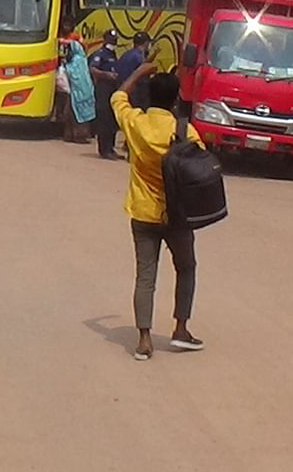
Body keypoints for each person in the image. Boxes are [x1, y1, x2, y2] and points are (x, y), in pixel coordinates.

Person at [112, 62, 205, 361]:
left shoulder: (136, 123)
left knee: (145, 277)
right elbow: (200, 167)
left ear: (149, 97)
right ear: (176, 100)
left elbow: (118, 97)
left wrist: (140, 71)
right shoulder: (185, 130)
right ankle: (180, 328)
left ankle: (144, 339)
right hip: (177, 215)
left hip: (143, 212)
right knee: (186, 268)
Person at [89, 29, 121, 159]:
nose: (113, 41)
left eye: (115, 39)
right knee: (104, 119)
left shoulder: (113, 54)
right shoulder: (100, 53)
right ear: (105, 39)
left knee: (112, 119)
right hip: (103, 89)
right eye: (111, 39)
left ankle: (111, 148)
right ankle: (104, 149)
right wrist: (105, 75)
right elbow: (93, 69)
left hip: (113, 89)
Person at [115, 31, 153, 110]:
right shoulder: (139, 56)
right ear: (146, 43)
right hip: (137, 93)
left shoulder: (126, 54)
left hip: (124, 90)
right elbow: (143, 70)